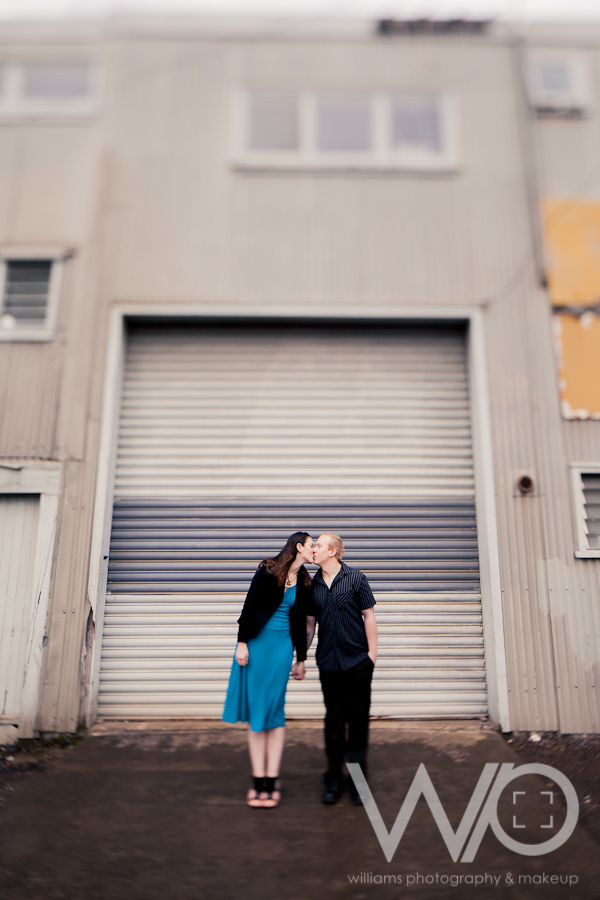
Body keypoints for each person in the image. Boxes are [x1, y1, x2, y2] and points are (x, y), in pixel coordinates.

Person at [222, 532, 314, 808]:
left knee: (274, 709)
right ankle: (258, 780)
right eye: (312, 545)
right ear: (299, 547)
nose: (315, 549)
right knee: (256, 709)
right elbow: (249, 607)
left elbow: (304, 624)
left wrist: (301, 658)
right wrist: (241, 643)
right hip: (257, 647)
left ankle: (272, 780)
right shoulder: (268, 569)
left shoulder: (306, 581)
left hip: (281, 650)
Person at [303, 532, 378, 806]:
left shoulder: (357, 579)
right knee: (334, 722)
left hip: (358, 663)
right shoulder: (312, 585)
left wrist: (372, 656)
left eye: (318, 545)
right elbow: (310, 625)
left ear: (332, 551)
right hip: (329, 664)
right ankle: (333, 780)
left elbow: (369, 615)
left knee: (357, 724)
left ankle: (358, 784)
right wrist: (301, 656)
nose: (314, 549)